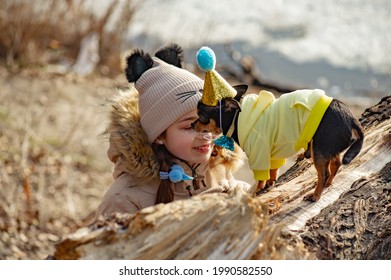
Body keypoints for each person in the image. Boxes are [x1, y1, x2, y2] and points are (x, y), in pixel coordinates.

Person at [94, 44, 251, 219]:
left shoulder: (216, 165)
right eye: (190, 126)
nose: (206, 134)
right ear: (160, 135)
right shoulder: (123, 200)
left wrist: (243, 193)